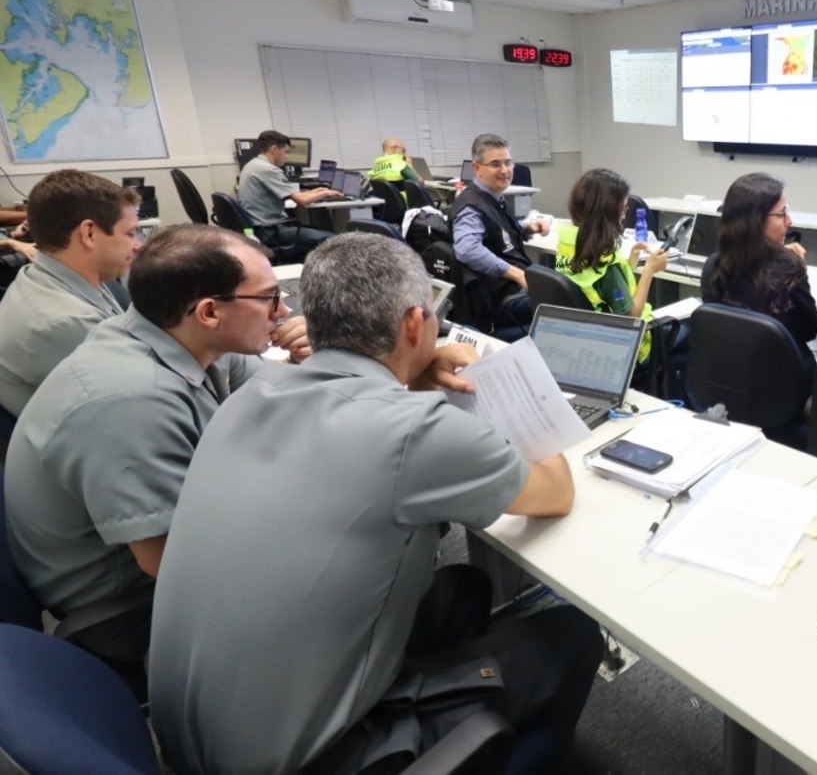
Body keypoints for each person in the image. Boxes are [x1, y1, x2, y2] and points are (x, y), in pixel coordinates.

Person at [149, 233, 602, 774]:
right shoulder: (415, 432)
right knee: (573, 634)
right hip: (309, 760)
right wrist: (517, 395)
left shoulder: (252, 394)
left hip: (189, 735)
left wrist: (415, 369)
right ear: (415, 323)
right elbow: (555, 492)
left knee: (463, 589)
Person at [4, 225, 285, 684]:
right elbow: (173, 564)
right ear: (211, 311)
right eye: (270, 298)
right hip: (127, 611)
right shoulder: (129, 399)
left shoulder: (169, 332)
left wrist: (355, 365)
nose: (284, 311)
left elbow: (279, 389)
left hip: (173, 549)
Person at [0, 170, 139, 417]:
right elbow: (141, 402)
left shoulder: (43, 276)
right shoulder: (68, 322)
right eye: (129, 233)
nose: (137, 244)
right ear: (89, 234)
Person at [700, 172, 817, 361]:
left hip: (728, 371)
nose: (789, 221)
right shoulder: (789, 270)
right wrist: (791, 262)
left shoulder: (713, 266)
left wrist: (776, 256)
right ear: (755, 222)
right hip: (781, 381)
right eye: (781, 215)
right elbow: (809, 331)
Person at [555, 167, 665, 362]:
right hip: (628, 347)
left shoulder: (568, 243)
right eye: (622, 210)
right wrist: (649, 269)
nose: (624, 216)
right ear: (607, 212)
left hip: (586, 341)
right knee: (690, 330)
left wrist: (628, 263)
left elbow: (599, 288)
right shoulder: (607, 263)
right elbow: (632, 318)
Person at [449, 133, 549, 329]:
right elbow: (467, 249)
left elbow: (497, 233)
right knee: (565, 298)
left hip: (511, 288)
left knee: (561, 284)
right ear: (477, 168)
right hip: (501, 298)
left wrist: (527, 229)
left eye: (508, 163)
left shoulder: (493, 197)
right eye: (495, 164)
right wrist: (517, 275)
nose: (505, 170)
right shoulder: (471, 207)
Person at [236, 129, 336, 260]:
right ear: (274, 149)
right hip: (270, 231)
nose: (288, 156)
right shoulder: (268, 170)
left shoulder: (252, 165)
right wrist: (327, 192)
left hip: (259, 229)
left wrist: (321, 191)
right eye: (286, 151)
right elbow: (301, 200)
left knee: (316, 231)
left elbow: (294, 193)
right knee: (331, 239)